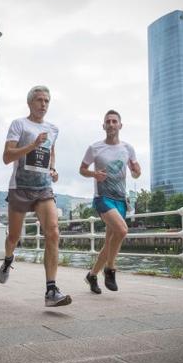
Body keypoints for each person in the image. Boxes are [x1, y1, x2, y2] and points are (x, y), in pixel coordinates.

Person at [0, 85, 72, 307]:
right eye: (39, 100)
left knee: (53, 232)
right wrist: (32, 145)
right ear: (30, 102)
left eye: (47, 100)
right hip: (20, 186)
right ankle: (8, 259)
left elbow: (51, 152)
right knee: (13, 237)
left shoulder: (53, 129)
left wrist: (53, 169)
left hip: (43, 188)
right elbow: (6, 156)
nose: (43, 104)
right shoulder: (19, 124)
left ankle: (51, 290)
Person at [79, 109, 141, 294]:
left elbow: (137, 173)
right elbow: (82, 169)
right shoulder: (95, 148)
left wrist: (135, 170)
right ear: (103, 126)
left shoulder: (128, 148)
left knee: (109, 243)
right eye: (108, 121)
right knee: (122, 230)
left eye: (115, 121)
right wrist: (93, 174)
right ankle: (110, 269)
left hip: (120, 199)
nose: (111, 124)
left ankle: (91, 275)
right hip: (102, 197)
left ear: (120, 125)